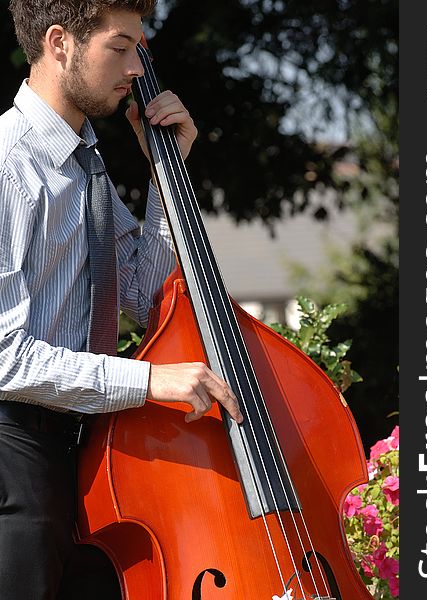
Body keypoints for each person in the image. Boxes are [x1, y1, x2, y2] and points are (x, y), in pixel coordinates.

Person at [0, 1, 243, 598]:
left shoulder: (86, 164)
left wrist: (167, 172)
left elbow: (140, 294)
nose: (137, 65)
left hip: (83, 455)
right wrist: (149, 380)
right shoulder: (10, 165)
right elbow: (4, 357)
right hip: (16, 456)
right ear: (60, 43)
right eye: (120, 45)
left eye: (140, 47)